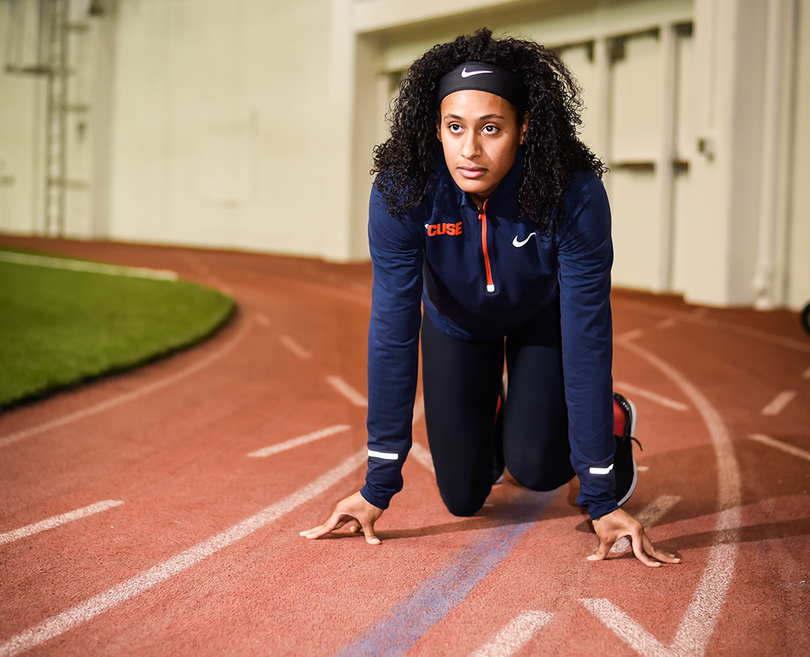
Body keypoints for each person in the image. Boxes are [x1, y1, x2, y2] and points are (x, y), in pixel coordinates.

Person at [301, 28, 679, 567]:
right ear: (436, 128)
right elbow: (392, 331)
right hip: (455, 324)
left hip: (539, 317)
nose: (470, 150)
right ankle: (498, 407)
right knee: (462, 498)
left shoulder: (571, 194)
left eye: (491, 128)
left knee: (539, 467)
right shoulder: (403, 192)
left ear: (524, 129)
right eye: (454, 128)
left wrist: (600, 495)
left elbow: (587, 335)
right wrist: (376, 487)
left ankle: (611, 426)